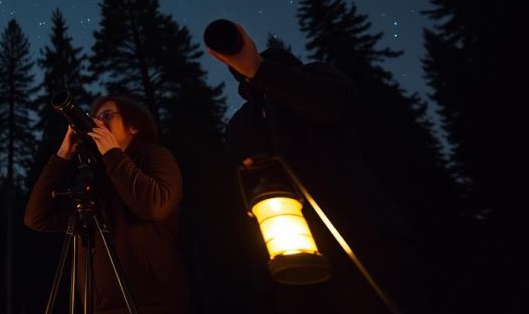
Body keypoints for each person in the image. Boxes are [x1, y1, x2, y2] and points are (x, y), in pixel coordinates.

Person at [208, 22, 427, 314]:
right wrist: (261, 279)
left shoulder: (316, 78)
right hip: (287, 260)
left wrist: (260, 69)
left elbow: (332, 106)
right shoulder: (239, 125)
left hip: (362, 237)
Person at [24, 95, 191, 314]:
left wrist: (112, 153)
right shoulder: (96, 178)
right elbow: (37, 217)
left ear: (134, 127)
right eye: (95, 118)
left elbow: (155, 205)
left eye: (106, 116)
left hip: (154, 305)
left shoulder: (154, 156)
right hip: (99, 309)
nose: (98, 122)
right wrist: (63, 155)